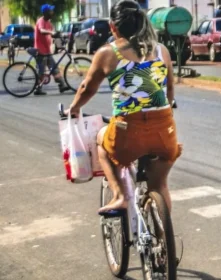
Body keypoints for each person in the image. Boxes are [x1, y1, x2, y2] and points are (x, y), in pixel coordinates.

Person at [65, 0, 182, 214]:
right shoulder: (161, 50)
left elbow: (86, 88)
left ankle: (120, 195)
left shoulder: (107, 53)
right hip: (165, 131)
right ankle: (164, 240)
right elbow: (170, 88)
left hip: (128, 132)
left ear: (113, 27)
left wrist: (73, 109)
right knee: (160, 184)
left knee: (101, 142)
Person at [34, 4, 70, 95]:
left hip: (47, 51)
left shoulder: (49, 23)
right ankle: (38, 89)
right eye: (50, 11)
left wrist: (61, 38)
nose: (52, 12)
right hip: (40, 50)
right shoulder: (41, 21)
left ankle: (62, 85)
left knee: (54, 68)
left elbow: (53, 35)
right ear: (45, 12)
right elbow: (42, 31)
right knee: (41, 71)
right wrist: (52, 32)